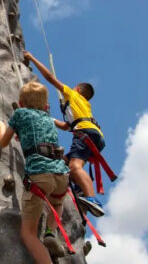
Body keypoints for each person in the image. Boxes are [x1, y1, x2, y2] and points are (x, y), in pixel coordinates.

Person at [23, 50, 106, 217]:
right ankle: (80, 190)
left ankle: (91, 198)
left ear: (78, 90)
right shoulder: (82, 109)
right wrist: (46, 117)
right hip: (92, 134)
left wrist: (32, 57)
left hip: (85, 133)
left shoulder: (74, 95)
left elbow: (50, 78)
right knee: (63, 163)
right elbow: (65, 126)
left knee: (75, 167)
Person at [0, 81, 70, 262]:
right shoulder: (48, 119)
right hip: (61, 174)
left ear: (20, 103)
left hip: (39, 175)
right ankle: (51, 232)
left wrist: (0, 127)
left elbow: (4, 142)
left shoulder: (20, 114)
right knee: (57, 202)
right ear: (46, 105)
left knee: (28, 234)